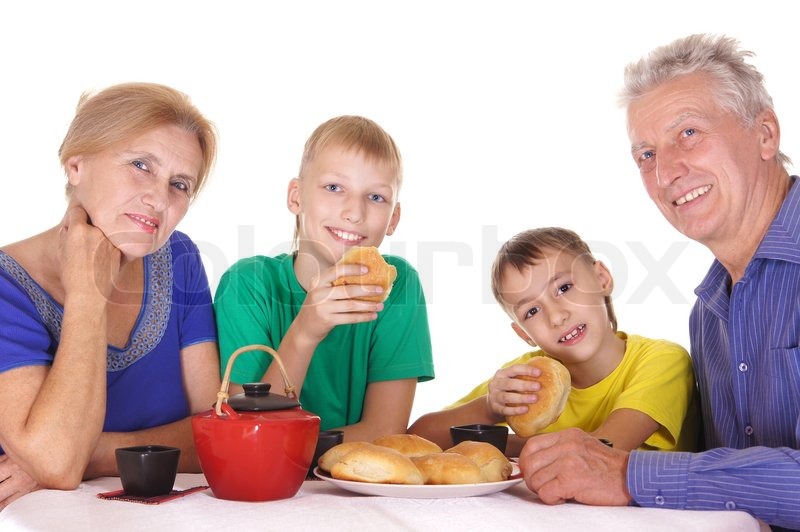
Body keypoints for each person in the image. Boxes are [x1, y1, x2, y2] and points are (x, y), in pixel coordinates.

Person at [518, 34, 800, 531]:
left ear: (765, 134)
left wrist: (630, 473)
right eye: (645, 154)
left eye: (688, 132)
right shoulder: (709, 315)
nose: (667, 170)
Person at [0, 82, 221, 509]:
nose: (159, 198)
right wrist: (87, 292)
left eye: (180, 184)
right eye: (141, 164)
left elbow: (215, 435)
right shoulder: (7, 287)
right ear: (76, 164)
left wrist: (92, 452)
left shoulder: (179, 259)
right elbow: (58, 463)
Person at [213, 115, 435, 442]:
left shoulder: (398, 286)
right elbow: (247, 434)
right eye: (334, 188)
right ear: (296, 196)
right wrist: (305, 330)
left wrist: (294, 446)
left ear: (393, 218)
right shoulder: (246, 285)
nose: (355, 212)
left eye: (375, 197)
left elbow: (386, 432)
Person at [409, 227, 698, 456]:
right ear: (524, 334)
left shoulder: (662, 361)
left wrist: (508, 445)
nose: (556, 316)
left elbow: (601, 451)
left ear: (601, 277)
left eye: (564, 287)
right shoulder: (529, 378)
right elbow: (417, 438)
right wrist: (490, 408)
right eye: (532, 311)